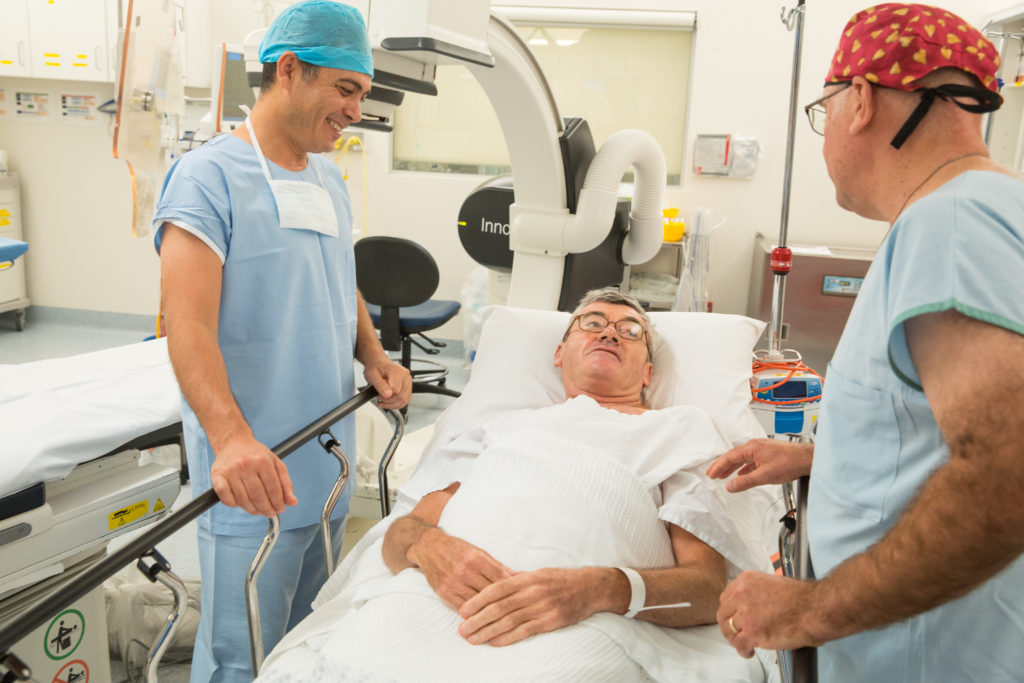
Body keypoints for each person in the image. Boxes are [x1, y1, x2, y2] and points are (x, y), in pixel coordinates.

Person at [706, 4, 1024, 680]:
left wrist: (808, 610)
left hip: (928, 654)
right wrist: (823, 457)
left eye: (822, 113)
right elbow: (942, 425)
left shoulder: (951, 226)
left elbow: (1009, 472)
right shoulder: (996, 206)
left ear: (859, 101)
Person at [254, 288, 766, 682]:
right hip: (433, 597)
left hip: (587, 620)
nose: (610, 332)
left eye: (631, 331)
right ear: (559, 354)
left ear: (649, 371)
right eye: (593, 323)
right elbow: (401, 533)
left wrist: (601, 588)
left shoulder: (680, 430)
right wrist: (430, 549)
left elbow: (705, 589)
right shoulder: (501, 428)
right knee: (346, 665)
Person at [154, 2, 412, 680]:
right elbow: (184, 322)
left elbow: (338, 276)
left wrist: (375, 354)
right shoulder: (206, 178)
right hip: (255, 479)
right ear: (290, 70)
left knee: (307, 647)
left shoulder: (328, 176)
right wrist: (232, 437)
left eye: (363, 93)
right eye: (347, 89)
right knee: (243, 661)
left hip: (324, 466)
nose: (357, 110)